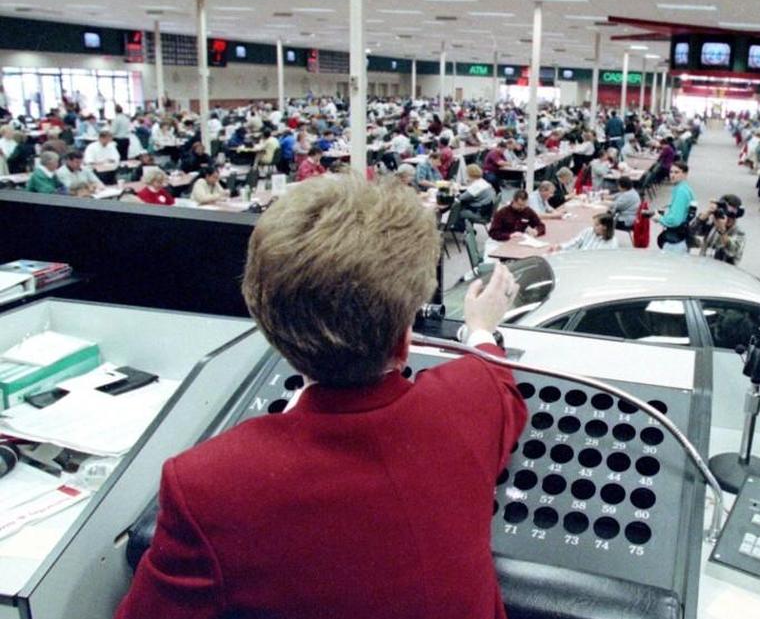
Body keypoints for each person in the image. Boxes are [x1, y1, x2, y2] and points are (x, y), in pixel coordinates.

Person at [114, 173, 526, 619]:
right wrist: (481, 329)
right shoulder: (473, 396)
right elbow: (498, 380)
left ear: (273, 332)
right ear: (405, 341)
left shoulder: (203, 484)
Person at [696, 195, 746, 265]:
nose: (726, 219)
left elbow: (732, 250)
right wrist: (704, 216)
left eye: (730, 217)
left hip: (723, 272)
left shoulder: (739, 232)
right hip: (703, 267)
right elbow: (691, 232)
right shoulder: (712, 223)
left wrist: (722, 230)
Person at [656, 161, 694, 252]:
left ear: (685, 174)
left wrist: (659, 218)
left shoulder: (681, 192)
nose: (672, 175)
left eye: (676, 172)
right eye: (671, 172)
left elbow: (675, 220)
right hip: (682, 235)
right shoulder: (686, 188)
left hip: (675, 239)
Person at [451, 164, 496, 231]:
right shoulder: (482, 182)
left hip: (479, 214)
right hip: (485, 211)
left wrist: (455, 191)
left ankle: (461, 229)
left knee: (456, 211)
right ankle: (468, 229)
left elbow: (461, 198)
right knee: (463, 205)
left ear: (469, 174)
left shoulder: (476, 186)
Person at [551, 213, 619, 252]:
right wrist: (560, 246)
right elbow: (576, 242)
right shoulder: (589, 231)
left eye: (596, 225)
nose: (593, 226)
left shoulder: (612, 242)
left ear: (605, 227)